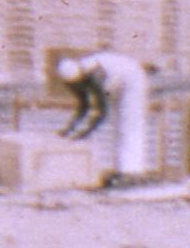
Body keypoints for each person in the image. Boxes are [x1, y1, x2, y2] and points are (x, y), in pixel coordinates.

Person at [55, 49, 153, 186]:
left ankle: (132, 172)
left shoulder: (94, 73)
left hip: (131, 78)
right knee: (118, 128)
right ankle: (121, 170)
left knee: (130, 125)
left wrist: (82, 134)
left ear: (81, 74)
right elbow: (84, 105)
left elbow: (100, 111)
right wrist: (69, 129)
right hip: (115, 81)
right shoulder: (75, 78)